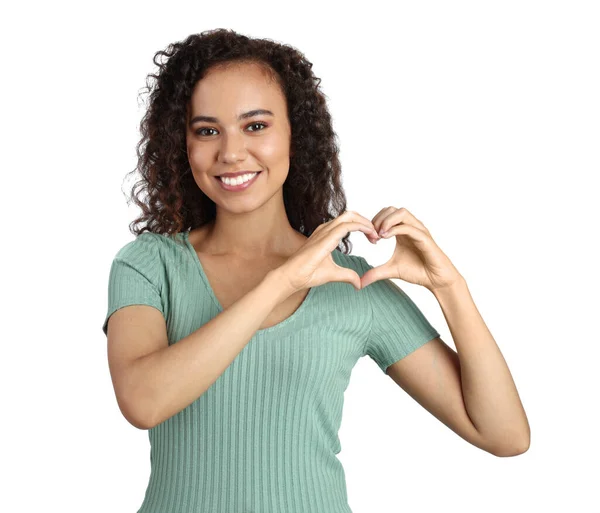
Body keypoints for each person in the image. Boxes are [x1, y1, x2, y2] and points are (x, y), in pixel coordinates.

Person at [102, 28, 530, 513]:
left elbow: (505, 434)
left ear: (295, 136)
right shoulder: (148, 265)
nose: (231, 152)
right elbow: (143, 401)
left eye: (256, 126)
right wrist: (282, 281)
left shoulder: (352, 284)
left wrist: (451, 288)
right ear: (183, 144)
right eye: (207, 130)